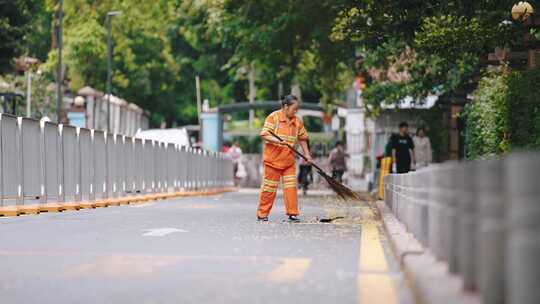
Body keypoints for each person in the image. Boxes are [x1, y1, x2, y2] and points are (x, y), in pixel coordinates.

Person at [257, 95, 312, 222]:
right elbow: (264, 134)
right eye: (294, 109)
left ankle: (292, 214)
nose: (295, 111)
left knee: (291, 188)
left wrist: (307, 155)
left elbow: (303, 138)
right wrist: (279, 141)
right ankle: (262, 214)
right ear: (286, 107)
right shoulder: (273, 117)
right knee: (269, 189)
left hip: (288, 162)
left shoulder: (297, 121)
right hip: (272, 161)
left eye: (297, 109)